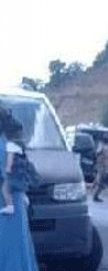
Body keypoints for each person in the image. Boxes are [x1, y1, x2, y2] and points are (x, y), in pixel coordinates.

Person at [0, 107, 38, 271]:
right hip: (14, 204)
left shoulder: (3, 146)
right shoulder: (10, 143)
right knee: (18, 248)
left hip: (5, 206)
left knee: (8, 250)